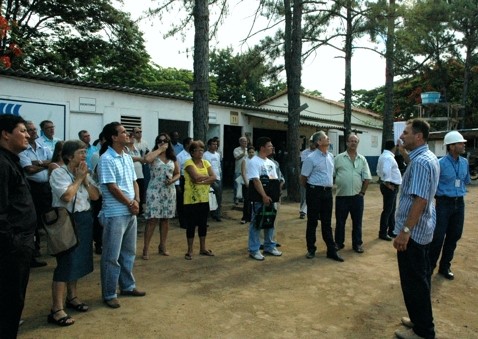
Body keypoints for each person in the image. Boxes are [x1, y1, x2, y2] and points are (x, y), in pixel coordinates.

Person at [393, 119, 439, 339]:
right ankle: (418, 319)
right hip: (424, 231)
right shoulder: (425, 157)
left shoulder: (421, 162)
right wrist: (402, 151)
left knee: (415, 282)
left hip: (414, 234)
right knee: (418, 279)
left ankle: (423, 331)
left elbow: (420, 200)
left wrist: (405, 232)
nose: (402, 135)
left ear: (418, 136)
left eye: (406, 132)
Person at [48, 140, 100, 326]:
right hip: (66, 221)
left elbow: (95, 196)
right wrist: (78, 179)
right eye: (81, 153)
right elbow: (67, 196)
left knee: (78, 260)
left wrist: (84, 179)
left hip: (84, 219)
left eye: (85, 153)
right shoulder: (58, 173)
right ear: (69, 156)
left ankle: (72, 297)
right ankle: (56, 308)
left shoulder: (85, 173)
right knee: (66, 262)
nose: (84, 156)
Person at [98, 122, 146, 309]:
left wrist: (137, 201)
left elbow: (134, 181)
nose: (128, 135)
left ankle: (127, 286)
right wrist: (130, 203)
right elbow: (112, 187)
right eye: (124, 132)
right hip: (115, 213)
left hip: (130, 211)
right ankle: (110, 293)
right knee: (112, 255)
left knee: (128, 252)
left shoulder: (127, 156)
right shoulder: (106, 158)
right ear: (114, 137)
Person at [0, 114, 36, 339]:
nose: (27, 135)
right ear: (5, 134)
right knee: (9, 302)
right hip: (11, 248)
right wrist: (13, 243)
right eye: (22, 131)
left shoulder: (11, 161)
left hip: (18, 243)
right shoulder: (3, 165)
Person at [429, 131, 470, 281]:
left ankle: (445, 266)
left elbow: (465, 181)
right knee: (438, 237)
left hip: (459, 203)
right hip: (443, 204)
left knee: (454, 235)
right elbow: (432, 185)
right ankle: (429, 268)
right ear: (451, 146)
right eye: (460, 143)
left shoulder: (464, 162)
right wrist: (441, 197)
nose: (463, 145)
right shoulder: (439, 164)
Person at [300, 131, 343, 262]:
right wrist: (312, 189)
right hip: (314, 192)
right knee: (312, 221)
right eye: (325, 137)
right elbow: (303, 178)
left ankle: (331, 250)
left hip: (327, 193)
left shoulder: (330, 156)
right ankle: (311, 249)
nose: (328, 139)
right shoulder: (311, 158)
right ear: (319, 142)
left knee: (327, 222)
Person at [20, 121, 52, 267]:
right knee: (33, 221)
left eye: (34, 129)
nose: (32, 132)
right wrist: (44, 164)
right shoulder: (22, 150)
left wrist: (38, 163)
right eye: (29, 130)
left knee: (48, 218)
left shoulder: (42, 147)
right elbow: (29, 170)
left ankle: (53, 247)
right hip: (32, 188)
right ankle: (34, 251)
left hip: (45, 187)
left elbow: (53, 162)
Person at [142, 133, 180, 259]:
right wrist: (160, 149)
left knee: (165, 219)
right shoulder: (153, 154)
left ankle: (162, 245)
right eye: (159, 141)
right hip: (154, 190)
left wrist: (172, 180)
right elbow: (146, 160)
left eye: (165, 141)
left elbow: (178, 173)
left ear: (169, 142)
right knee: (152, 219)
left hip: (168, 191)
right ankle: (146, 248)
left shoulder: (172, 157)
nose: (162, 142)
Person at [334, 134, 371, 253]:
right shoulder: (338, 158)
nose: (353, 143)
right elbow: (332, 175)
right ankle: (339, 243)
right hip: (341, 196)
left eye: (355, 141)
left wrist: (362, 193)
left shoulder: (362, 159)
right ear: (347, 143)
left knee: (357, 222)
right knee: (340, 222)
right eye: (351, 141)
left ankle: (357, 244)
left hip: (357, 197)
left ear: (357, 143)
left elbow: (367, 178)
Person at [247, 137, 282, 261]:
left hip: (271, 198)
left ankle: (269, 246)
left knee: (270, 221)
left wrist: (275, 195)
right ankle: (254, 249)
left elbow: (275, 180)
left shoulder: (271, 163)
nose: (272, 147)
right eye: (269, 146)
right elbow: (256, 181)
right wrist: (263, 196)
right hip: (259, 198)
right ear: (262, 148)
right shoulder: (254, 162)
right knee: (257, 223)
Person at [183, 140, 217, 260]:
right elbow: (195, 177)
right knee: (191, 225)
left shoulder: (206, 162)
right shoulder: (188, 163)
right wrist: (207, 178)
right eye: (198, 150)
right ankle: (190, 250)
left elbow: (214, 177)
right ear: (192, 152)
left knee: (203, 224)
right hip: (191, 199)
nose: (201, 152)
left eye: (202, 150)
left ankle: (203, 248)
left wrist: (201, 180)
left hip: (204, 198)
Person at [376, 140, 402, 241]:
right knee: (388, 210)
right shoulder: (388, 157)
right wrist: (387, 184)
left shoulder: (384, 156)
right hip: (390, 186)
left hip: (389, 186)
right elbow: (386, 171)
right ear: (394, 147)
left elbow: (378, 171)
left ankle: (391, 230)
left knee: (391, 210)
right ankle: (383, 232)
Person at [203, 138, 223, 221]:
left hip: (218, 177)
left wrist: (220, 175)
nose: (215, 146)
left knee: (219, 197)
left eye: (216, 144)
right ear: (209, 145)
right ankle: (208, 214)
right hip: (209, 178)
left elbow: (218, 166)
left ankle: (217, 214)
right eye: (213, 144)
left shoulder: (218, 154)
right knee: (209, 196)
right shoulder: (205, 155)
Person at [176, 137, 192, 229]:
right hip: (183, 179)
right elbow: (177, 171)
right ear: (186, 144)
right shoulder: (180, 156)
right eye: (191, 143)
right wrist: (178, 185)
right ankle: (183, 222)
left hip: (191, 179)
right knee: (182, 202)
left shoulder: (192, 154)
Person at [299, 136, 316, 219]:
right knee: (304, 195)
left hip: (314, 177)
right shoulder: (305, 152)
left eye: (314, 142)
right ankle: (302, 211)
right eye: (311, 142)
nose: (312, 144)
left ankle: (306, 211)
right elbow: (303, 164)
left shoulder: (319, 153)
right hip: (305, 175)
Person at [240, 146, 256, 224]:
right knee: (246, 201)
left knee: (253, 201)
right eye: (250, 152)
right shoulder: (244, 160)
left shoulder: (256, 160)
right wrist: (246, 183)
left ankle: (251, 217)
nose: (251, 154)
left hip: (255, 183)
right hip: (246, 183)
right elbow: (243, 173)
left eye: (252, 152)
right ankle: (245, 217)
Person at [233, 136, 248, 204]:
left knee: (244, 184)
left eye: (246, 141)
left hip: (246, 171)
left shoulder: (248, 150)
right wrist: (244, 152)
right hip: (238, 170)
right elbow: (236, 157)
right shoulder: (236, 150)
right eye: (244, 141)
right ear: (240, 142)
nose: (245, 143)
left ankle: (242, 198)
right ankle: (236, 199)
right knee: (237, 184)